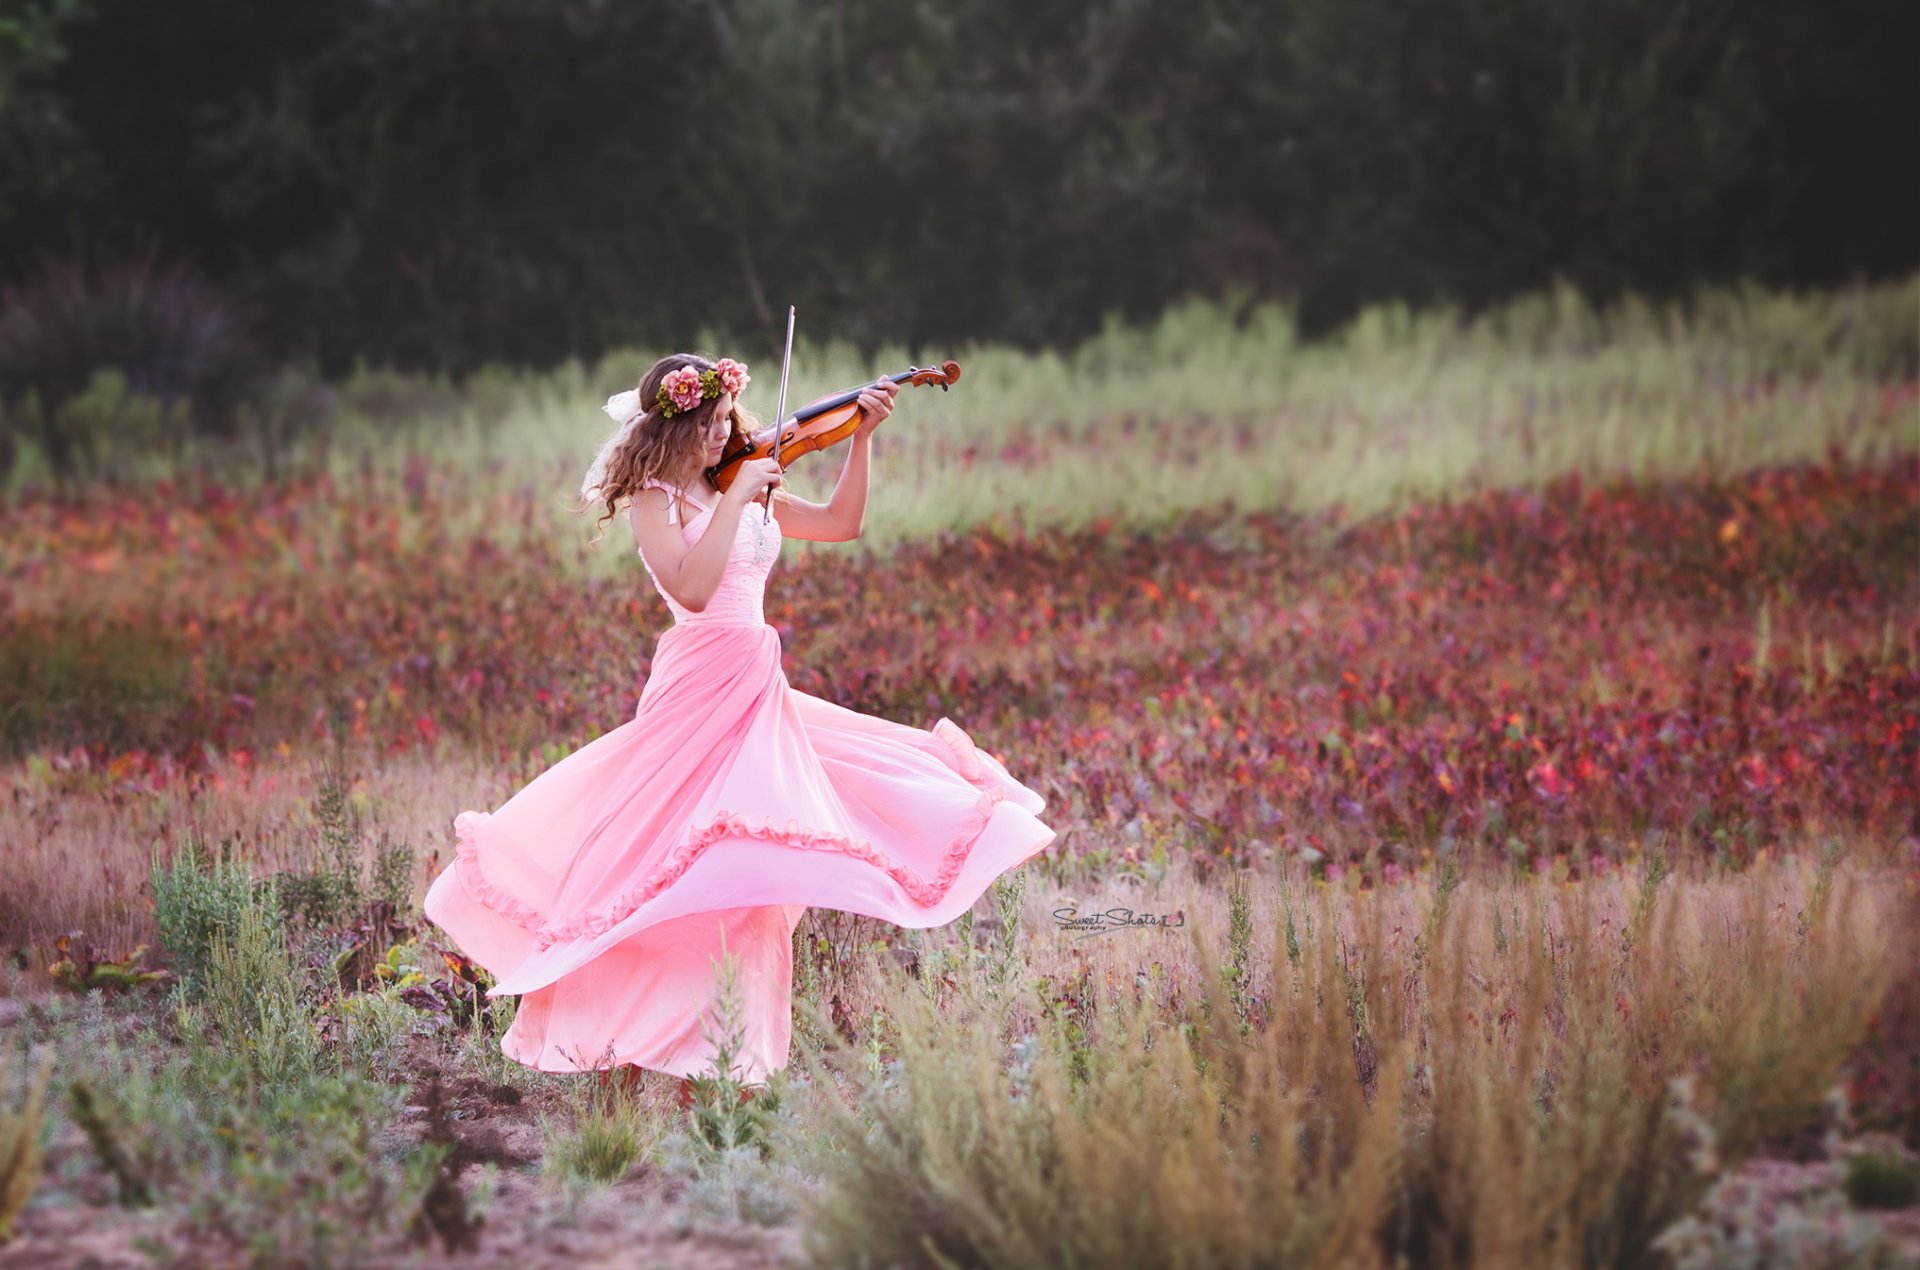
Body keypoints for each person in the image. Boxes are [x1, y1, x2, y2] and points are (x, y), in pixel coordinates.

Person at [422, 351, 1056, 1096]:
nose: (727, 434)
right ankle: (625, 1057)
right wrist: (738, 499)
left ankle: (723, 1065)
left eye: (730, 420)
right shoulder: (657, 498)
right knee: (660, 863)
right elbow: (691, 590)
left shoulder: (741, 479)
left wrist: (861, 438)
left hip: (756, 679)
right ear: (678, 423)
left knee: (753, 868)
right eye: (713, 422)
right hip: (696, 687)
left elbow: (842, 524)